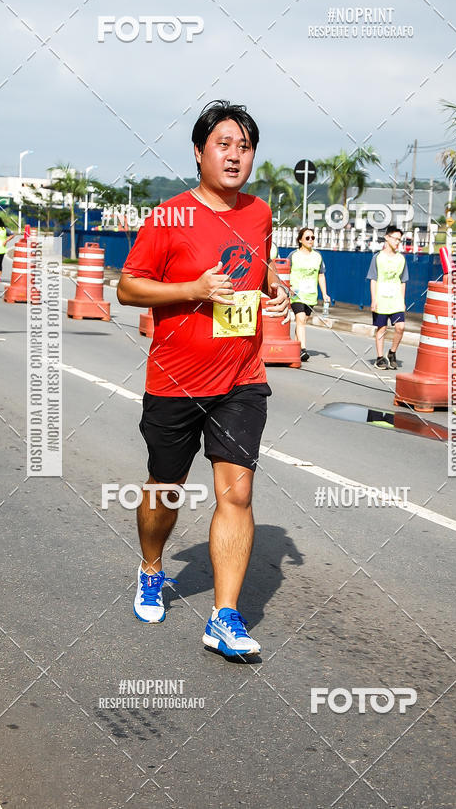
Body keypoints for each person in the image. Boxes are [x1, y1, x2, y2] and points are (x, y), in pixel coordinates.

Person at [117, 100, 289, 658]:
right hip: (176, 380)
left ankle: (224, 616)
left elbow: (255, 267)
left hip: (242, 376)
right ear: (199, 152)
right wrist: (191, 290)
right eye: (224, 144)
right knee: (165, 487)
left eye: (244, 146)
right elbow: (128, 288)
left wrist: (273, 287)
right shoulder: (169, 216)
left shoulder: (260, 213)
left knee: (236, 494)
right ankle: (150, 566)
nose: (235, 155)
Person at [366, 225, 409, 369]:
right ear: (387, 237)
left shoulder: (401, 259)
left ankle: (392, 352)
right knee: (381, 328)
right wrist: (374, 299)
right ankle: (380, 358)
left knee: (400, 327)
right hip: (381, 298)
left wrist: (402, 301)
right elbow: (373, 279)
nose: (397, 242)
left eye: (400, 240)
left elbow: (403, 281)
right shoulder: (377, 258)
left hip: (396, 300)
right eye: (395, 238)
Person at [288, 227, 329, 362]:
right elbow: (285, 272)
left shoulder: (318, 256)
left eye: (312, 237)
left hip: (311, 294)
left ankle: (294, 349)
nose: (311, 240)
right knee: (300, 319)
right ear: (300, 240)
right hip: (296, 294)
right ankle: (303, 349)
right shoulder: (293, 255)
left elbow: (321, 275)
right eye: (307, 238)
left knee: (303, 321)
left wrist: (325, 294)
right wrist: (288, 287)